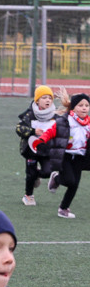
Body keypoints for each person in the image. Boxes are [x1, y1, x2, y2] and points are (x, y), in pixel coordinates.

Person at [33, 91, 90, 219]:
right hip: (65, 155)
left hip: (80, 157)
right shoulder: (65, 121)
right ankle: (57, 179)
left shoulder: (89, 124)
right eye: (80, 105)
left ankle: (63, 209)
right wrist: (40, 141)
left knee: (74, 185)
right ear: (73, 107)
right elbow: (50, 132)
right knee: (69, 181)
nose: (84, 108)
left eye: (86, 105)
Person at [15, 86, 59, 207]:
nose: (48, 100)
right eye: (44, 98)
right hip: (31, 150)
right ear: (37, 100)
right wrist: (33, 131)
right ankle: (28, 196)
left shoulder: (55, 116)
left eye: (50, 98)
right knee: (30, 173)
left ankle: (37, 176)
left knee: (47, 172)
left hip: (47, 150)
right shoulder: (30, 115)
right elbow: (19, 128)